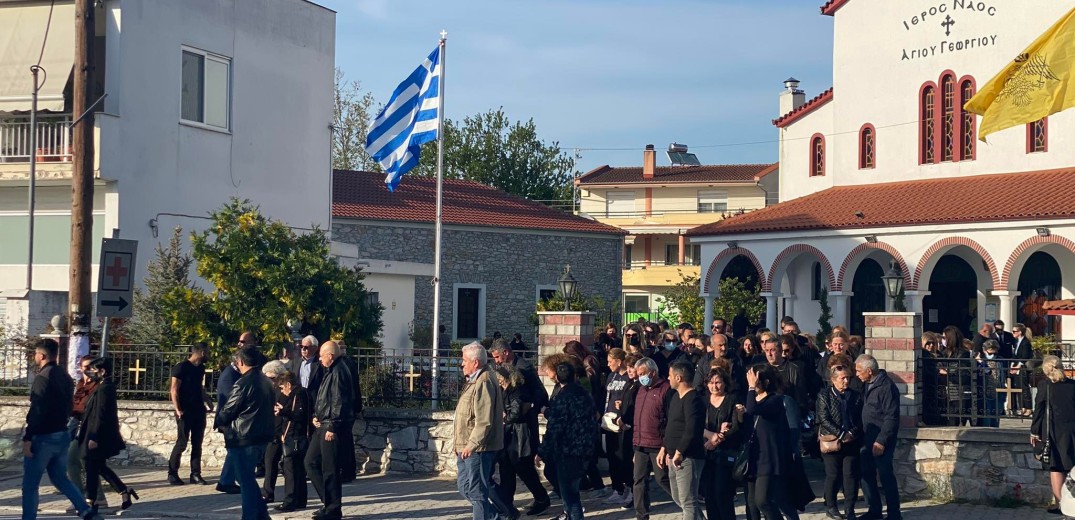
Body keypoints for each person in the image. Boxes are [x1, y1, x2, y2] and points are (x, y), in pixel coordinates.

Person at [21, 338, 102, 520]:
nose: (35, 356)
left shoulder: (42, 378)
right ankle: (86, 510)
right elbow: (69, 404)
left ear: (41, 355)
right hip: (61, 434)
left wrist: (28, 438)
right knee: (60, 478)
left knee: (30, 485)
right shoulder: (64, 375)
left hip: (42, 437)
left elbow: (38, 409)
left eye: (36, 354)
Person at [489, 340, 549, 516]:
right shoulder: (500, 369)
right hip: (508, 427)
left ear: (506, 352)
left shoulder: (524, 368)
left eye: (498, 357)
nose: (496, 361)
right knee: (506, 465)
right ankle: (507, 504)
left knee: (523, 466)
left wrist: (528, 407)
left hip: (522, 427)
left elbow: (540, 394)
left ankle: (541, 498)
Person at [217, 346, 276, 520]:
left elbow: (228, 411)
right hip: (261, 436)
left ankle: (250, 516)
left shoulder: (243, 383)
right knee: (248, 479)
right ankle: (262, 515)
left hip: (243, 437)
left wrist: (221, 420)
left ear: (240, 362)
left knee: (245, 481)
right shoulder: (266, 381)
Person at [537, 362, 597, 520]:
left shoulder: (562, 397)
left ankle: (573, 516)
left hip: (568, 450)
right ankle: (568, 515)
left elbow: (555, 427)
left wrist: (542, 451)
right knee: (570, 490)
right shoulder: (585, 394)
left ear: (557, 377)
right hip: (585, 447)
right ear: (575, 376)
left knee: (571, 495)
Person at [78, 357, 138, 514]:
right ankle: (124, 491)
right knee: (98, 467)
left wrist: (94, 437)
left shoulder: (105, 388)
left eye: (94, 370)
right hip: (93, 433)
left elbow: (101, 414)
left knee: (91, 467)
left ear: (102, 371)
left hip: (97, 435)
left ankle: (90, 502)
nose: (91, 373)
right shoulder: (102, 386)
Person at [305, 341, 355, 520]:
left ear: (330, 355)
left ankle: (333, 509)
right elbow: (325, 398)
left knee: (330, 469)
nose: (319, 359)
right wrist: (316, 415)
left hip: (331, 426)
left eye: (321, 355)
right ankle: (329, 503)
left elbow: (339, 400)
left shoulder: (340, 371)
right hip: (323, 423)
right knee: (310, 462)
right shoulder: (330, 370)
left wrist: (333, 425)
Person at [745, 364, 798, 520]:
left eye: (756, 381)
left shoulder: (775, 400)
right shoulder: (754, 400)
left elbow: (753, 410)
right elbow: (750, 414)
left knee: (763, 501)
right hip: (754, 456)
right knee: (752, 502)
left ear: (766, 382)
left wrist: (750, 388)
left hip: (769, 458)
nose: (754, 384)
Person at [856, 354, 901, 520]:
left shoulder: (886, 387)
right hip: (867, 438)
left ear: (869, 371)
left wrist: (881, 441)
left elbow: (892, 417)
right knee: (866, 474)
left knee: (885, 475)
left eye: (859, 370)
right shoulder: (867, 384)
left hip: (882, 439)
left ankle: (894, 514)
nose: (857, 374)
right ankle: (874, 510)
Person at [816, 365, 863, 520]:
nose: (846, 381)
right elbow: (824, 418)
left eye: (848, 377)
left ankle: (850, 509)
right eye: (842, 378)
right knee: (833, 475)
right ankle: (831, 506)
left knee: (850, 475)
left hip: (851, 441)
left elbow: (860, 418)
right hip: (832, 441)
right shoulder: (824, 395)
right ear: (833, 380)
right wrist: (841, 434)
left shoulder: (855, 396)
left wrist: (851, 433)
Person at [663, 361, 706, 520]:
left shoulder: (693, 399)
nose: (668, 378)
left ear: (679, 377)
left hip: (688, 457)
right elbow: (671, 425)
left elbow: (691, 429)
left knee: (688, 501)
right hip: (672, 455)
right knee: (677, 497)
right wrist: (665, 449)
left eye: (670, 375)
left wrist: (680, 452)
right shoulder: (675, 397)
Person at [1032, 355, 1075, 514]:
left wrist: (1034, 431)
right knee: (1072, 466)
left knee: (1056, 468)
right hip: (1072, 431)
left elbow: (1039, 410)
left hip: (1053, 431)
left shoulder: (1045, 386)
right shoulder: (1072, 385)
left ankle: (1060, 504)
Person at [631, 357, 673, 520]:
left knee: (663, 478)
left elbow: (670, 420)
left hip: (658, 444)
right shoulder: (641, 390)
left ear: (653, 372)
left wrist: (665, 446)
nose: (640, 377)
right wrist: (635, 446)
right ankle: (642, 515)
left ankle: (687, 502)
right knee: (638, 481)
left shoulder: (666, 389)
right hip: (640, 444)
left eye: (643, 374)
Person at [168, 342, 213, 486]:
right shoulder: (181, 367)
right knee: (182, 443)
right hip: (184, 411)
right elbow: (174, 389)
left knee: (197, 443)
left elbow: (199, 387)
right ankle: (172, 474)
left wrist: (207, 400)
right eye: (207, 351)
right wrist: (177, 409)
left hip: (198, 409)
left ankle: (195, 474)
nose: (209, 355)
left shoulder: (200, 368)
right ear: (201, 352)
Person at [701, 368, 741, 520]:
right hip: (706, 452)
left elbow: (735, 426)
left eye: (718, 382)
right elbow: (696, 424)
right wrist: (710, 437)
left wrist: (719, 438)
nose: (714, 386)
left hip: (725, 453)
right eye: (711, 383)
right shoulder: (703, 401)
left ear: (725, 383)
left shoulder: (732, 399)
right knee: (709, 494)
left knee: (722, 493)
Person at [68, 354, 107, 508]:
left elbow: (95, 409)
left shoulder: (98, 386)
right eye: (86, 367)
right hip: (75, 424)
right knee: (84, 463)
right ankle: (96, 497)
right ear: (80, 368)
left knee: (73, 460)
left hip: (87, 427)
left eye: (92, 366)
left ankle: (81, 498)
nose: (89, 370)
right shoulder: (80, 384)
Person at [274, 371, 310, 513]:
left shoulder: (299, 394)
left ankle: (290, 501)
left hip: (294, 436)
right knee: (299, 470)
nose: (282, 391)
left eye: (283, 388)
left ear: (288, 384)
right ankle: (300, 500)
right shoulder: (297, 394)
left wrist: (283, 412)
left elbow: (299, 415)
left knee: (291, 470)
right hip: (295, 436)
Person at [602, 348, 633, 505]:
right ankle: (617, 488)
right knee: (612, 456)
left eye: (610, 361)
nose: (608, 364)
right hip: (610, 421)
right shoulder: (611, 376)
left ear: (619, 361)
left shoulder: (628, 377)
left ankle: (629, 487)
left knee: (624, 457)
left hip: (623, 421)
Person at [213, 344, 243, 494]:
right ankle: (226, 481)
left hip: (232, 420)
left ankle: (228, 480)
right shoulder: (229, 376)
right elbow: (231, 400)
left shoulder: (235, 374)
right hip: (229, 421)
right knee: (233, 450)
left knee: (234, 450)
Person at [260, 360, 287, 503]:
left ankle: (272, 492)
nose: (268, 381)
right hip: (271, 431)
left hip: (282, 431)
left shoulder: (285, 391)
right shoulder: (266, 389)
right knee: (269, 462)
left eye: (271, 378)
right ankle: (267, 492)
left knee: (286, 465)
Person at [1011, 323, 1034, 416]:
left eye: (1014, 331)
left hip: (1023, 368)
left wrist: (1017, 366)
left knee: (1025, 387)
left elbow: (1025, 356)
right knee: (1018, 387)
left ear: (1020, 332)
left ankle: (1028, 408)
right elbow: (1015, 355)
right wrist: (1013, 365)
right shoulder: (1017, 342)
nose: (1013, 333)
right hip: (1017, 367)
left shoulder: (1025, 342)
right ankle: (1022, 407)